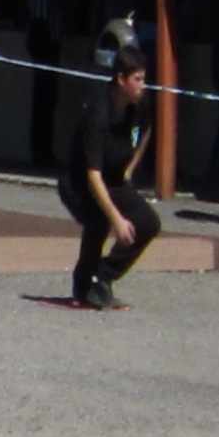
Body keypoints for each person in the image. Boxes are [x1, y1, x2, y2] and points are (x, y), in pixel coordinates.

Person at [64, 23, 163, 309]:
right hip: (79, 184)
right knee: (100, 219)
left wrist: (129, 170)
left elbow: (147, 131)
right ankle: (83, 286)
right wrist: (117, 219)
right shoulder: (98, 113)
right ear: (121, 79)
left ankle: (103, 275)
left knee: (148, 223)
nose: (143, 85)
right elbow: (92, 176)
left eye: (144, 79)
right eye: (137, 79)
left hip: (114, 178)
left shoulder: (139, 105)